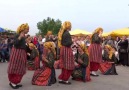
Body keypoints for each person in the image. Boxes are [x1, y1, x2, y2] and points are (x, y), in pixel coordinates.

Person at [7, 23, 29, 89]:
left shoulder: (23, 35)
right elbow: (15, 43)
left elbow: (22, 45)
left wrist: (27, 48)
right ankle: (13, 82)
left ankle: (14, 82)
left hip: (21, 52)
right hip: (17, 53)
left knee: (19, 67)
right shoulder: (17, 35)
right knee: (16, 67)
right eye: (27, 29)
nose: (28, 30)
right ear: (23, 29)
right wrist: (20, 37)